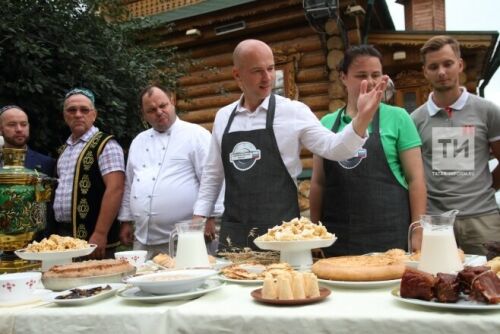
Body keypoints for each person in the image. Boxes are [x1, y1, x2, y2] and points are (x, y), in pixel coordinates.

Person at [193, 39, 388, 250]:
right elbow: (213, 173)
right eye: (257, 71)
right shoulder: (223, 117)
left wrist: (362, 118)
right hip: (235, 235)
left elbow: (336, 149)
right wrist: (199, 216)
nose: (267, 77)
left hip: (283, 236)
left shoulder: (293, 111)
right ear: (237, 75)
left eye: (271, 68)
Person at [309, 45, 427, 256]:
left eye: (376, 74)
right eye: (361, 75)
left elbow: (415, 179)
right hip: (336, 237)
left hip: (390, 235)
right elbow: (319, 182)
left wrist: (418, 229)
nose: (371, 81)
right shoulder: (327, 123)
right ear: (343, 77)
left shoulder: (399, 117)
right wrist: (313, 230)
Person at [411, 35, 500, 255]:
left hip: (483, 220)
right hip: (435, 223)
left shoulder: (488, 111)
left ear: (460, 65)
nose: (441, 72)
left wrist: (486, 188)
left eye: (447, 64)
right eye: (433, 66)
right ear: (425, 71)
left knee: (491, 285)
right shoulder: (415, 120)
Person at [118, 85, 222, 257]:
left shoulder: (196, 135)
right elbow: (130, 183)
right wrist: (126, 220)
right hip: (143, 239)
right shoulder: (138, 141)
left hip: (187, 236)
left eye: (163, 106)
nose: (159, 112)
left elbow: (212, 178)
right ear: (143, 114)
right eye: (151, 110)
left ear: (172, 102)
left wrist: (210, 217)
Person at [53, 88, 125, 259]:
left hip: (93, 236)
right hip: (63, 236)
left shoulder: (106, 145)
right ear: (65, 115)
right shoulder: (64, 150)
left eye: (84, 110)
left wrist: (100, 232)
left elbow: (116, 189)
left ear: (94, 114)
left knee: (97, 284)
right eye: (72, 110)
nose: (78, 114)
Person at [0, 105, 55, 176]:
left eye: (23, 124)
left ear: (28, 126)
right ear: (0, 129)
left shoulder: (47, 163)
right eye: (12, 125)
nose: (19, 129)